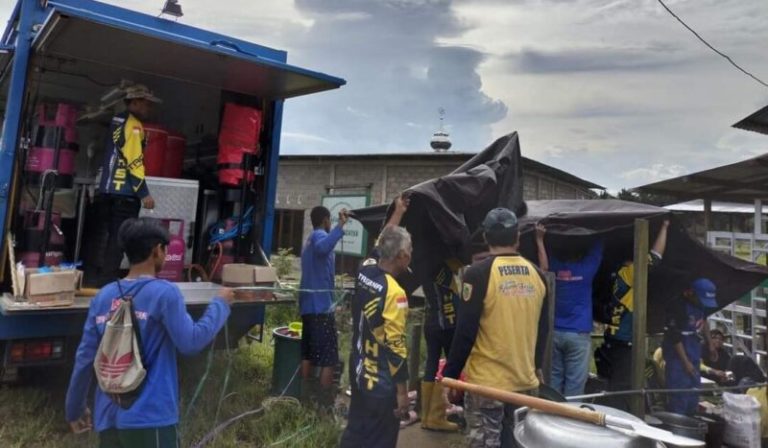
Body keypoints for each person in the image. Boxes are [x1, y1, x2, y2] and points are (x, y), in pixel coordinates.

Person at [65, 218, 232, 447]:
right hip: (151, 419)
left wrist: (74, 408)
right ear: (157, 251)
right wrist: (220, 305)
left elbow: (84, 359)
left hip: (107, 417)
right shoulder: (165, 293)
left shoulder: (103, 296)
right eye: (165, 250)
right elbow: (191, 342)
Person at [443, 208, 548, 448]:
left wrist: (450, 376)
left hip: (487, 386)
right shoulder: (538, 276)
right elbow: (543, 328)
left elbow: (465, 331)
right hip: (525, 382)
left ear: (487, 238)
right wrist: (538, 365)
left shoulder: (477, 274)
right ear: (518, 237)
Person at [339, 226, 413, 448]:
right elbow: (396, 348)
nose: (411, 253)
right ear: (401, 256)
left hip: (359, 372)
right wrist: (402, 394)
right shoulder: (395, 293)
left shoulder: (365, 271)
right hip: (381, 384)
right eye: (410, 249)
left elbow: (377, 246)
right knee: (380, 439)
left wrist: (399, 212)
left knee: (355, 430)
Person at [84, 85, 160, 288]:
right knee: (120, 240)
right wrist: (144, 193)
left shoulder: (117, 121)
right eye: (146, 104)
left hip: (106, 191)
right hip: (124, 194)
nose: (149, 108)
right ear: (134, 102)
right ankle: (107, 283)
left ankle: (92, 277)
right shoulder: (134, 126)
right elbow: (134, 161)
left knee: (103, 236)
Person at [595, 220, 670, 406]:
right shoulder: (630, 273)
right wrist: (665, 226)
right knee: (623, 390)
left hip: (611, 338)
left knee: (613, 387)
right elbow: (656, 257)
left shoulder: (613, 272)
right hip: (624, 339)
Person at [536, 224, 602, 397]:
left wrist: (541, 239)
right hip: (579, 333)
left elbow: (544, 266)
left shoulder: (555, 267)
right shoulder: (587, 269)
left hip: (555, 332)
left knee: (554, 379)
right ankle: (570, 420)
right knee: (575, 383)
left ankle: (554, 417)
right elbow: (598, 247)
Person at [298, 205, 348, 407]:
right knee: (329, 358)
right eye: (331, 221)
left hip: (309, 308)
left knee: (308, 354)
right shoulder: (319, 237)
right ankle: (324, 404)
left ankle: (304, 397)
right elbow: (324, 247)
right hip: (320, 309)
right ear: (326, 220)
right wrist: (341, 226)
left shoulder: (308, 241)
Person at [662, 278, 717, 416]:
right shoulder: (676, 306)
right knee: (679, 394)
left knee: (694, 391)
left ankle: (692, 417)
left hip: (694, 348)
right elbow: (674, 336)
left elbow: (703, 321)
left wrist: (710, 344)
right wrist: (685, 362)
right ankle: (678, 425)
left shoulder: (700, 304)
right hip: (678, 354)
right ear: (691, 293)